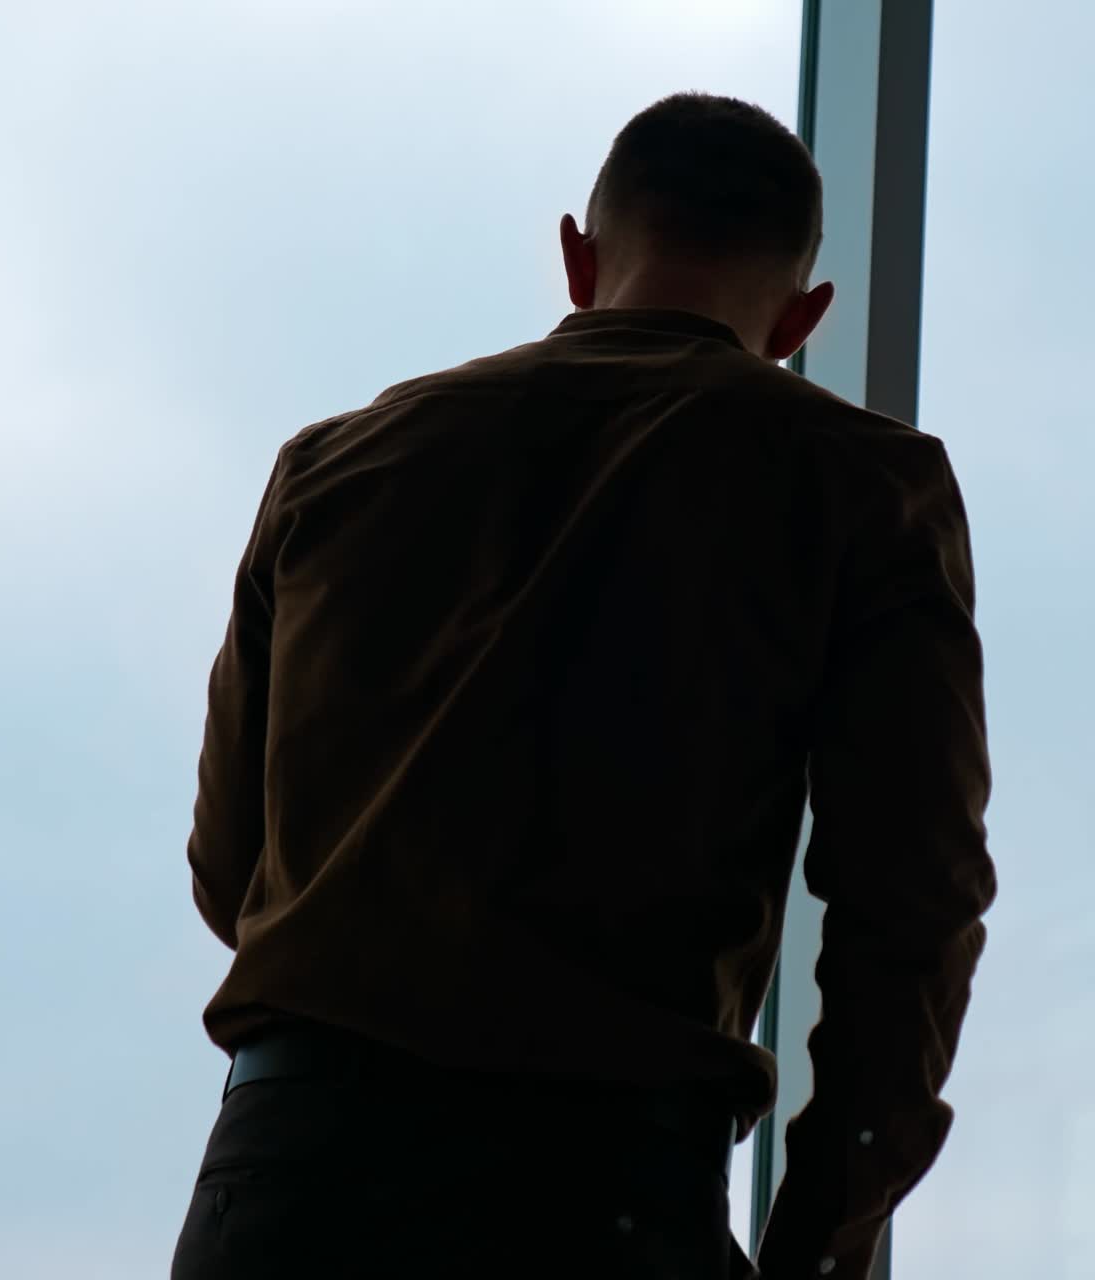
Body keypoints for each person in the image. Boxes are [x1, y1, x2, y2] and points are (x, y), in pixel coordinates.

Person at [171, 89, 997, 1280]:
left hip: (282, 1183)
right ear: (801, 317)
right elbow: (911, 902)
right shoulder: (865, 484)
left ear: (576, 256)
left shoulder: (331, 464)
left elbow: (231, 873)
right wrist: (817, 1239)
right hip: (603, 1193)